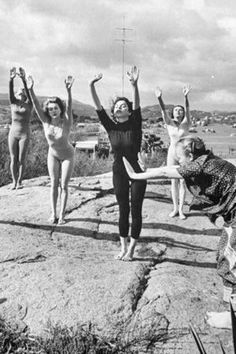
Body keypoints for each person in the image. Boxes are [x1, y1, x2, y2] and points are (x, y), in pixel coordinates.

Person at [123, 135, 236, 329]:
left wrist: (137, 176)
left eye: (180, 158)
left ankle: (233, 317)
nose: (179, 162)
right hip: (233, 218)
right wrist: (148, 169)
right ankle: (231, 311)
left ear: (190, 155)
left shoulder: (200, 164)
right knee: (225, 257)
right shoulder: (208, 160)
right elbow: (173, 170)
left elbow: (169, 172)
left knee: (230, 261)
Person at [89, 66, 147, 261]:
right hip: (119, 171)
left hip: (138, 172)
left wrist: (135, 85)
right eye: (117, 106)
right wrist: (91, 85)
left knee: (136, 209)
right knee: (123, 209)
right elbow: (98, 108)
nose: (120, 107)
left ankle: (132, 249)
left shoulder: (135, 124)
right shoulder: (110, 127)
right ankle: (122, 247)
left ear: (129, 112)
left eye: (124, 106)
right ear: (114, 112)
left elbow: (137, 105)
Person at [27, 75, 75, 225]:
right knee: (54, 183)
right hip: (52, 155)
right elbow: (35, 103)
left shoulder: (66, 121)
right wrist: (31, 89)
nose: (53, 111)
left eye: (56, 108)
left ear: (60, 109)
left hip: (67, 155)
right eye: (50, 109)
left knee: (64, 186)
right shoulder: (45, 121)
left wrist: (68, 90)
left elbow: (70, 105)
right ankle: (53, 213)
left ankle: (62, 215)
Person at [155, 85, 191, 219]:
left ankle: (181, 210)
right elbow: (163, 110)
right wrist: (159, 98)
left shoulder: (186, 123)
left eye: (180, 110)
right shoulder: (169, 123)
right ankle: (175, 208)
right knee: (173, 181)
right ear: (173, 113)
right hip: (172, 153)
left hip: (184, 154)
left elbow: (188, 110)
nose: (179, 112)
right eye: (176, 110)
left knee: (182, 182)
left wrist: (186, 97)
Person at [8, 67, 33, 190]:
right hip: (13, 133)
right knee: (13, 158)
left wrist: (23, 79)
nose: (20, 94)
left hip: (24, 133)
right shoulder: (13, 102)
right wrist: (11, 79)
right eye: (19, 93)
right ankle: (14, 181)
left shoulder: (29, 104)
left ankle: (20, 181)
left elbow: (29, 93)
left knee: (21, 159)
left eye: (22, 93)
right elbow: (10, 92)